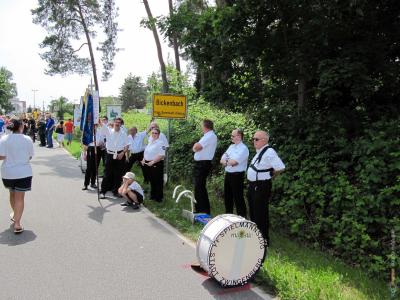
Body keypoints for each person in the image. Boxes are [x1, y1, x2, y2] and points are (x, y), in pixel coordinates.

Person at [247, 130, 285, 246]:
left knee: (260, 213)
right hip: (253, 185)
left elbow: (280, 167)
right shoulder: (260, 151)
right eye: (253, 139)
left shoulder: (269, 152)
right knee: (253, 211)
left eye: (256, 139)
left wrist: (270, 176)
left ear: (264, 140)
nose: (254, 141)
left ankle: (263, 240)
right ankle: (255, 236)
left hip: (261, 186)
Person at [0, 118, 34, 234]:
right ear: (21, 127)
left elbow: (1, 156)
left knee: (12, 194)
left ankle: (15, 215)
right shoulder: (27, 139)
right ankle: (17, 223)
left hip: (8, 173)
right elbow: (30, 156)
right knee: (20, 198)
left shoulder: (4, 139)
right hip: (24, 172)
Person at [220, 129, 249, 218]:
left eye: (233, 136)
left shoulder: (244, 148)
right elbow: (222, 160)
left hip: (237, 175)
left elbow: (234, 162)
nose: (231, 137)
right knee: (228, 197)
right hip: (228, 174)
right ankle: (228, 217)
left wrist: (227, 161)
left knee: (238, 198)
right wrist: (228, 161)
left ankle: (242, 218)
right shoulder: (231, 147)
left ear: (239, 136)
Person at [192, 119, 218, 215]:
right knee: (198, 187)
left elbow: (196, 147)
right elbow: (197, 147)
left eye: (201, 125)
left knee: (200, 187)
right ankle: (200, 209)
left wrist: (195, 146)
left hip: (203, 164)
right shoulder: (208, 136)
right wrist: (195, 146)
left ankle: (203, 211)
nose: (201, 127)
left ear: (205, 126)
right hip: (202, 163)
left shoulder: (209, 136)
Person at [99, 117, 129, 198]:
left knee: (118, 174)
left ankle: (115, 191)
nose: (117, 123)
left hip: (120, 155)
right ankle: (103, 191)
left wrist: (123, 153)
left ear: (121, 124)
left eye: (119, 122)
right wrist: (97, 119)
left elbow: (127, 145)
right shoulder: (108, 131)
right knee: (107, 174)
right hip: (110, 154)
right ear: (114, 123)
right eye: (116, 122)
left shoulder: (124, 134)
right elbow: (102, 124)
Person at [141, 127, 165, 202]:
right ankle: (153, 195)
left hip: (156, 164)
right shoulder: (150, 141)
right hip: (148, 163)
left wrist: (153, 162)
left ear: (159, 134)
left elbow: (161, 155)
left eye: (156, 133)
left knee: (158, 181)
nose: (154, 134)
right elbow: (147, 152)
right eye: (152, 133)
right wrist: (144, 159)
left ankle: (158, 198)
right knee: (152, 180)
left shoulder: (161, 143)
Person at [82, 124, 102, 190]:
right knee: (89, 168)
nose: (94, 127)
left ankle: (93, 183)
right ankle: (86, 184)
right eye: (93, 125)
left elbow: (102, 142)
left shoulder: (100, 132)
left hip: (98, 149)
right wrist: (85, 154)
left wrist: (101, 144)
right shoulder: (88, 133)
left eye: (95, 125)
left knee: (95, 167)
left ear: (97, 126)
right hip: (90, 149)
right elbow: (85, 144)